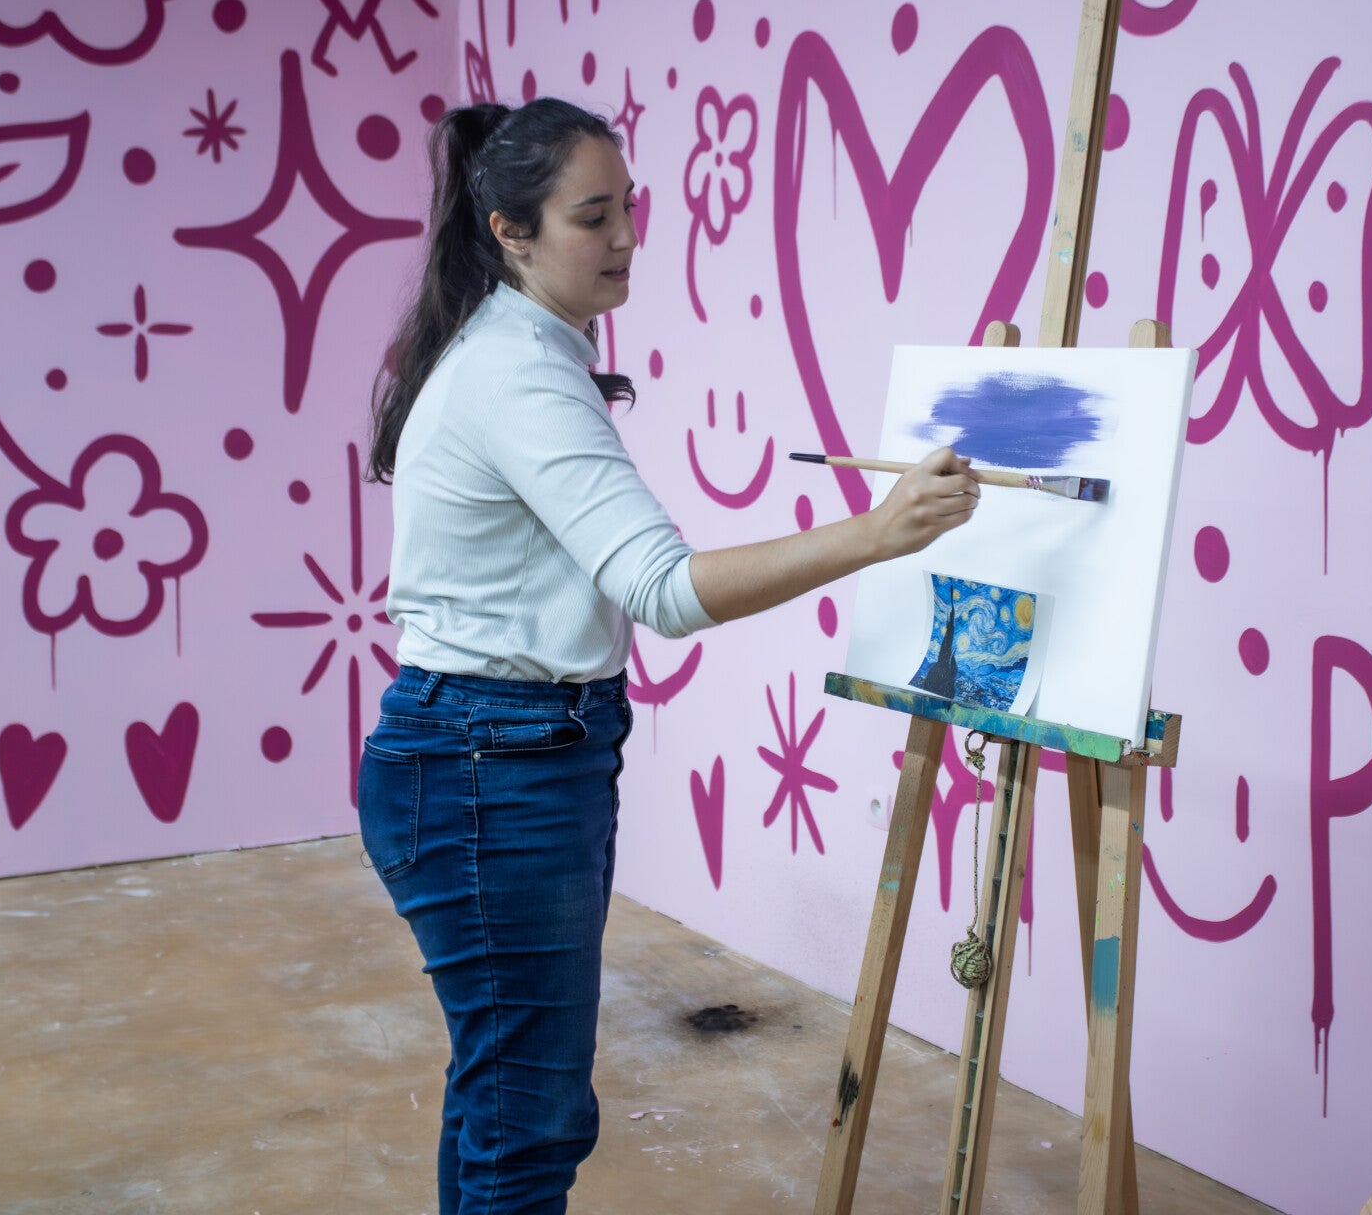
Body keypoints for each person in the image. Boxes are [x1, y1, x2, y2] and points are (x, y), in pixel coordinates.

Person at [360, 97, 979, 1215]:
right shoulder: (516, 371)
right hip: (488, 765)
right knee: (526, 1117)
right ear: (510, 231)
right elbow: (662, 589)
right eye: (593, 216)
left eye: (629, 207)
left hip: (496, 753)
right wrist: (875, 534)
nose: (627, 237)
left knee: (504, 1096)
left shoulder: (519, 345)